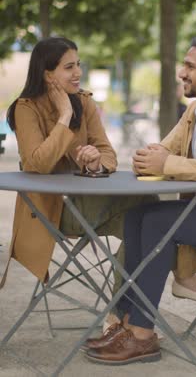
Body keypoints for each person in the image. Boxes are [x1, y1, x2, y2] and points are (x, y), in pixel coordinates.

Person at [84, 36, 196, 365]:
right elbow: (165, 149)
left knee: (157, 222)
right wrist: (150, 157)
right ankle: (125, 323)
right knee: (137, 215)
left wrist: (167, 164)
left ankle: (141, 334)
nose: (182, 72)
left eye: (190, 66)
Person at [4, 37, 155, 285]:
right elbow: (38, 165)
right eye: (69, 67)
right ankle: (170, 284)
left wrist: (95, 163)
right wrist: (64, 115)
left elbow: (109, 155)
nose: (78, 73)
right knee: (146, 206)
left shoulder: (84, 101)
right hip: (53, 211)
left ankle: (120, 312)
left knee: (150, 221)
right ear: (47, 74)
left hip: (89, 202)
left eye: (78, 64)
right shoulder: (26, 108)